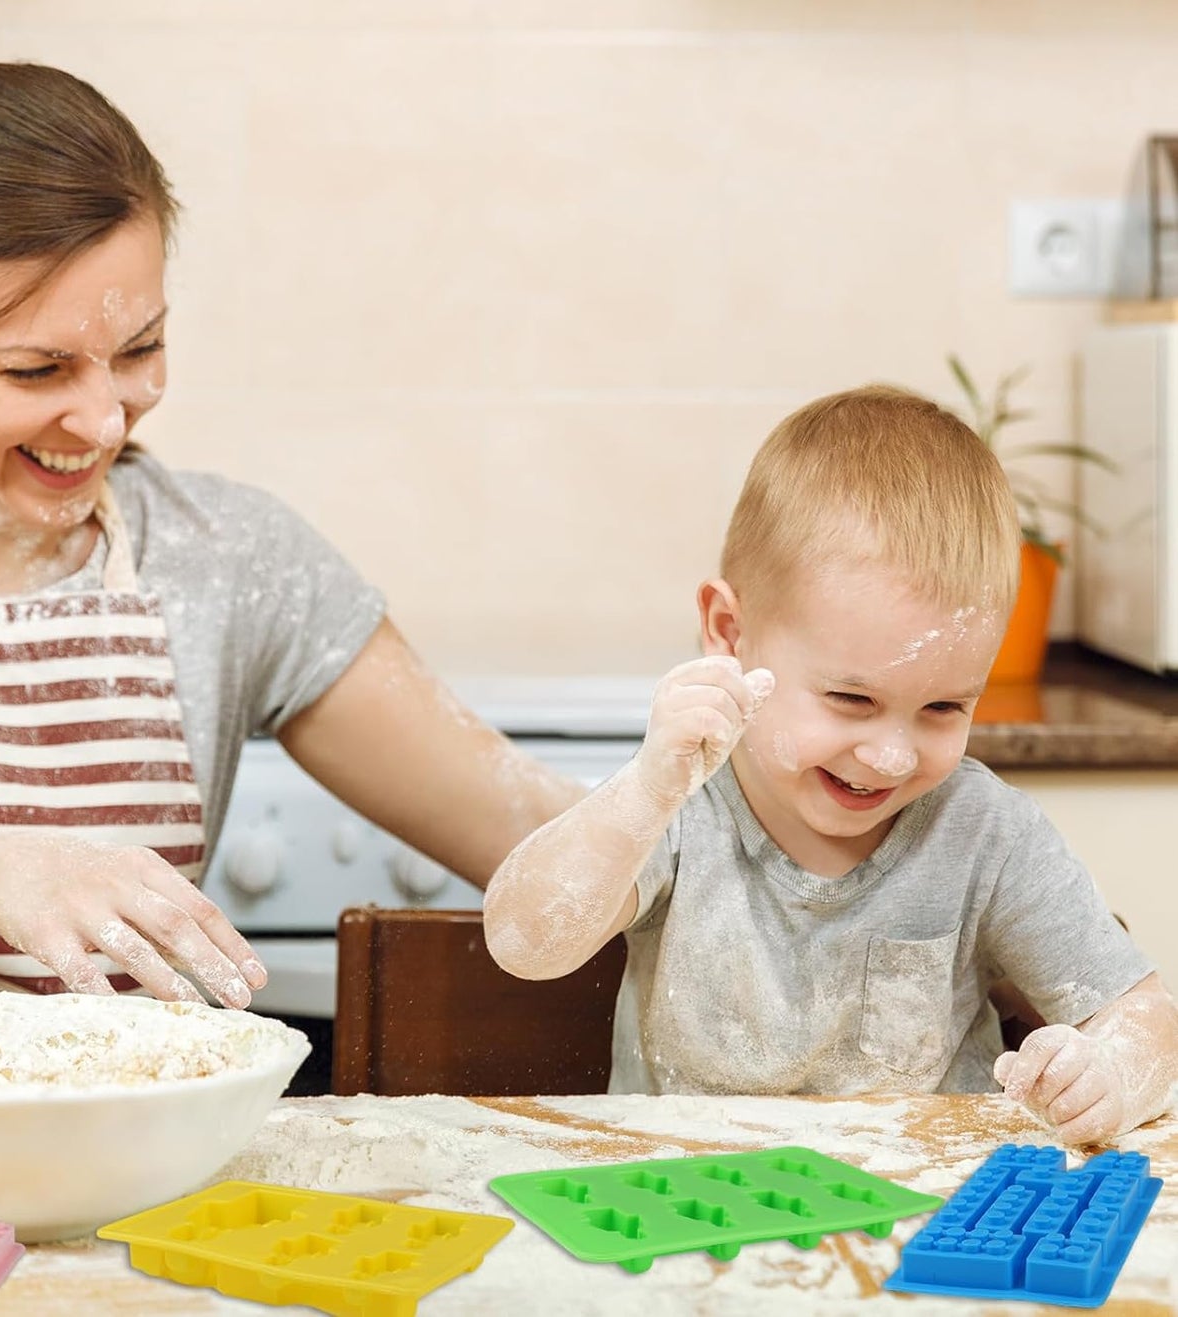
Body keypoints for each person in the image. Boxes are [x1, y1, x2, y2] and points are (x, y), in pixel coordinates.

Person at [0, 62, 585, 1033]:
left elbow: (544, 847)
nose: (101, 420)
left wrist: (742, 754)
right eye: (35, 367)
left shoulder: (232, 559)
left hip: (133, 1178)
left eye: (138, 350)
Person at [483, 385, 1178, 1146]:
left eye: (944, 708)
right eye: (850, 698)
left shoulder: (981, 832)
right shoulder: (683, 805)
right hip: (688, 1200)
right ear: (728, 631)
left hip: (917, 1215)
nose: (891, 754)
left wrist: (1104, 1075)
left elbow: (1146, 1018)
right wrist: (646, 788)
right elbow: (523, 941)